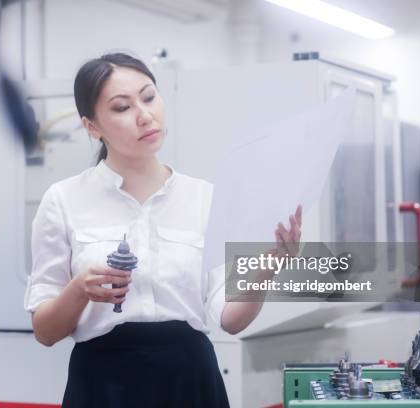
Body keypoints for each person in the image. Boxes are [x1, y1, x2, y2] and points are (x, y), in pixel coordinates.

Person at [23, 52, 302, 408]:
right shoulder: (62, 200)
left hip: (191, 384)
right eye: (122, 107)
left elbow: (230, 319)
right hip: (103, 387)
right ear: (92, 126)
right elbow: (45, 332)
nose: (144, 115)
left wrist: (269, 266)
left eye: (149, 97)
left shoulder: (203, 197)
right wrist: (79, 289)